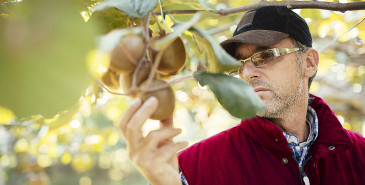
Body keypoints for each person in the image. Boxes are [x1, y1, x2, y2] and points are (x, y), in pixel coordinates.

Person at [118, 6, 365, 185]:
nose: (247, 73)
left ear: (309, 62)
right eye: (240, 64)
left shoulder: (360, 155)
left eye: (265, 56)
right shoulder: (190, 169)